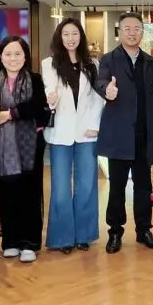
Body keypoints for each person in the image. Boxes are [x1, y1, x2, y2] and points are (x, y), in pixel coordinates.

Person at [95, 12, 153, 254]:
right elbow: (100, 81)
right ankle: (115, 232)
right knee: (117, 187)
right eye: (127, 28)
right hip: (119, 135)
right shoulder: (108, 59)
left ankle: (144, 230)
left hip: (144, 135)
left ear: (142, 32)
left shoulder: (152, 63)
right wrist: (107, 90)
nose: (132, 33)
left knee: (144, 187)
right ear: (119, 33)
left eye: (137, 28)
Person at [41, 18, 103, 254]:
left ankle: (84, 235)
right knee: (60, 187)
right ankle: (62, 238)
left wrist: (95, 125)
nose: (70, 38)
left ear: (81, 37)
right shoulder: (49, 64)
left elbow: (97, 98)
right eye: (65, 34)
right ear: (59, 37)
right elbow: (49, 89)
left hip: (87, 132)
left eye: (74, 33)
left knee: (87, 185)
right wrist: (51, 98)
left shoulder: (92, 64)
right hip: (60, 132)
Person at [0, 36, 49, 263]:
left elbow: (39, 108)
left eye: (18, 54)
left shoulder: (35, 79)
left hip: (30, 145)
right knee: (5, 194)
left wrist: (10, 114)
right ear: (0, 57)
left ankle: (29, 243)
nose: (13, 58)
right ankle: (10, 241)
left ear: (25, 57)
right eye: (8, 54)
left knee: (30, 194)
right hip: (2, 147)